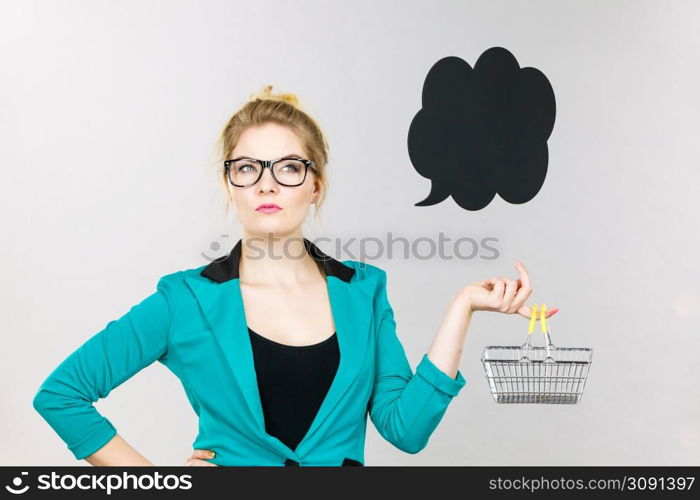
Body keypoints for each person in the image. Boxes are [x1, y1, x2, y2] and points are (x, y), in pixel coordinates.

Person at [32, 85, 559, 466]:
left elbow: (407, 430)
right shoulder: (185, 300)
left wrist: (461, 308)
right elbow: (62, 394)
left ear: (315, 186)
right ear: (231, 186)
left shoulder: (364, 292)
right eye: (247, 168)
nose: (267, 184)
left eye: (288, 168)